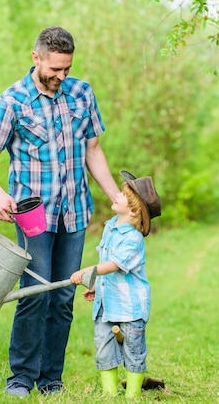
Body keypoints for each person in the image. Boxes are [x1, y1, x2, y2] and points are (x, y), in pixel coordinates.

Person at [0, 26, 120, 398]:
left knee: (64, 297)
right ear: (35, 57)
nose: (61, 77)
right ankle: (21, 378)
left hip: (75, 211)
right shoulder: (11, 102)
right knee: (35, 293)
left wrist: (116, 196)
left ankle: (51, 378)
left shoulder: (81, 93)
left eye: (67, 69)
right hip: (33, 217)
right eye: (55, 69)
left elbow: (94, 151)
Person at [71, 170, 161, 399]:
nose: (116, 196)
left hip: (130, 308)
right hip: (106, 303)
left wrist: (87, 272)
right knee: (104, 349)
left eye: (122, 195)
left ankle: (132, 394)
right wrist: (96, 285)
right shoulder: (110, 227)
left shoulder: (133, 238)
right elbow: (105, 263)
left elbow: (114, 264)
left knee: (133, 351)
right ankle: (109, 393)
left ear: (132, 210)